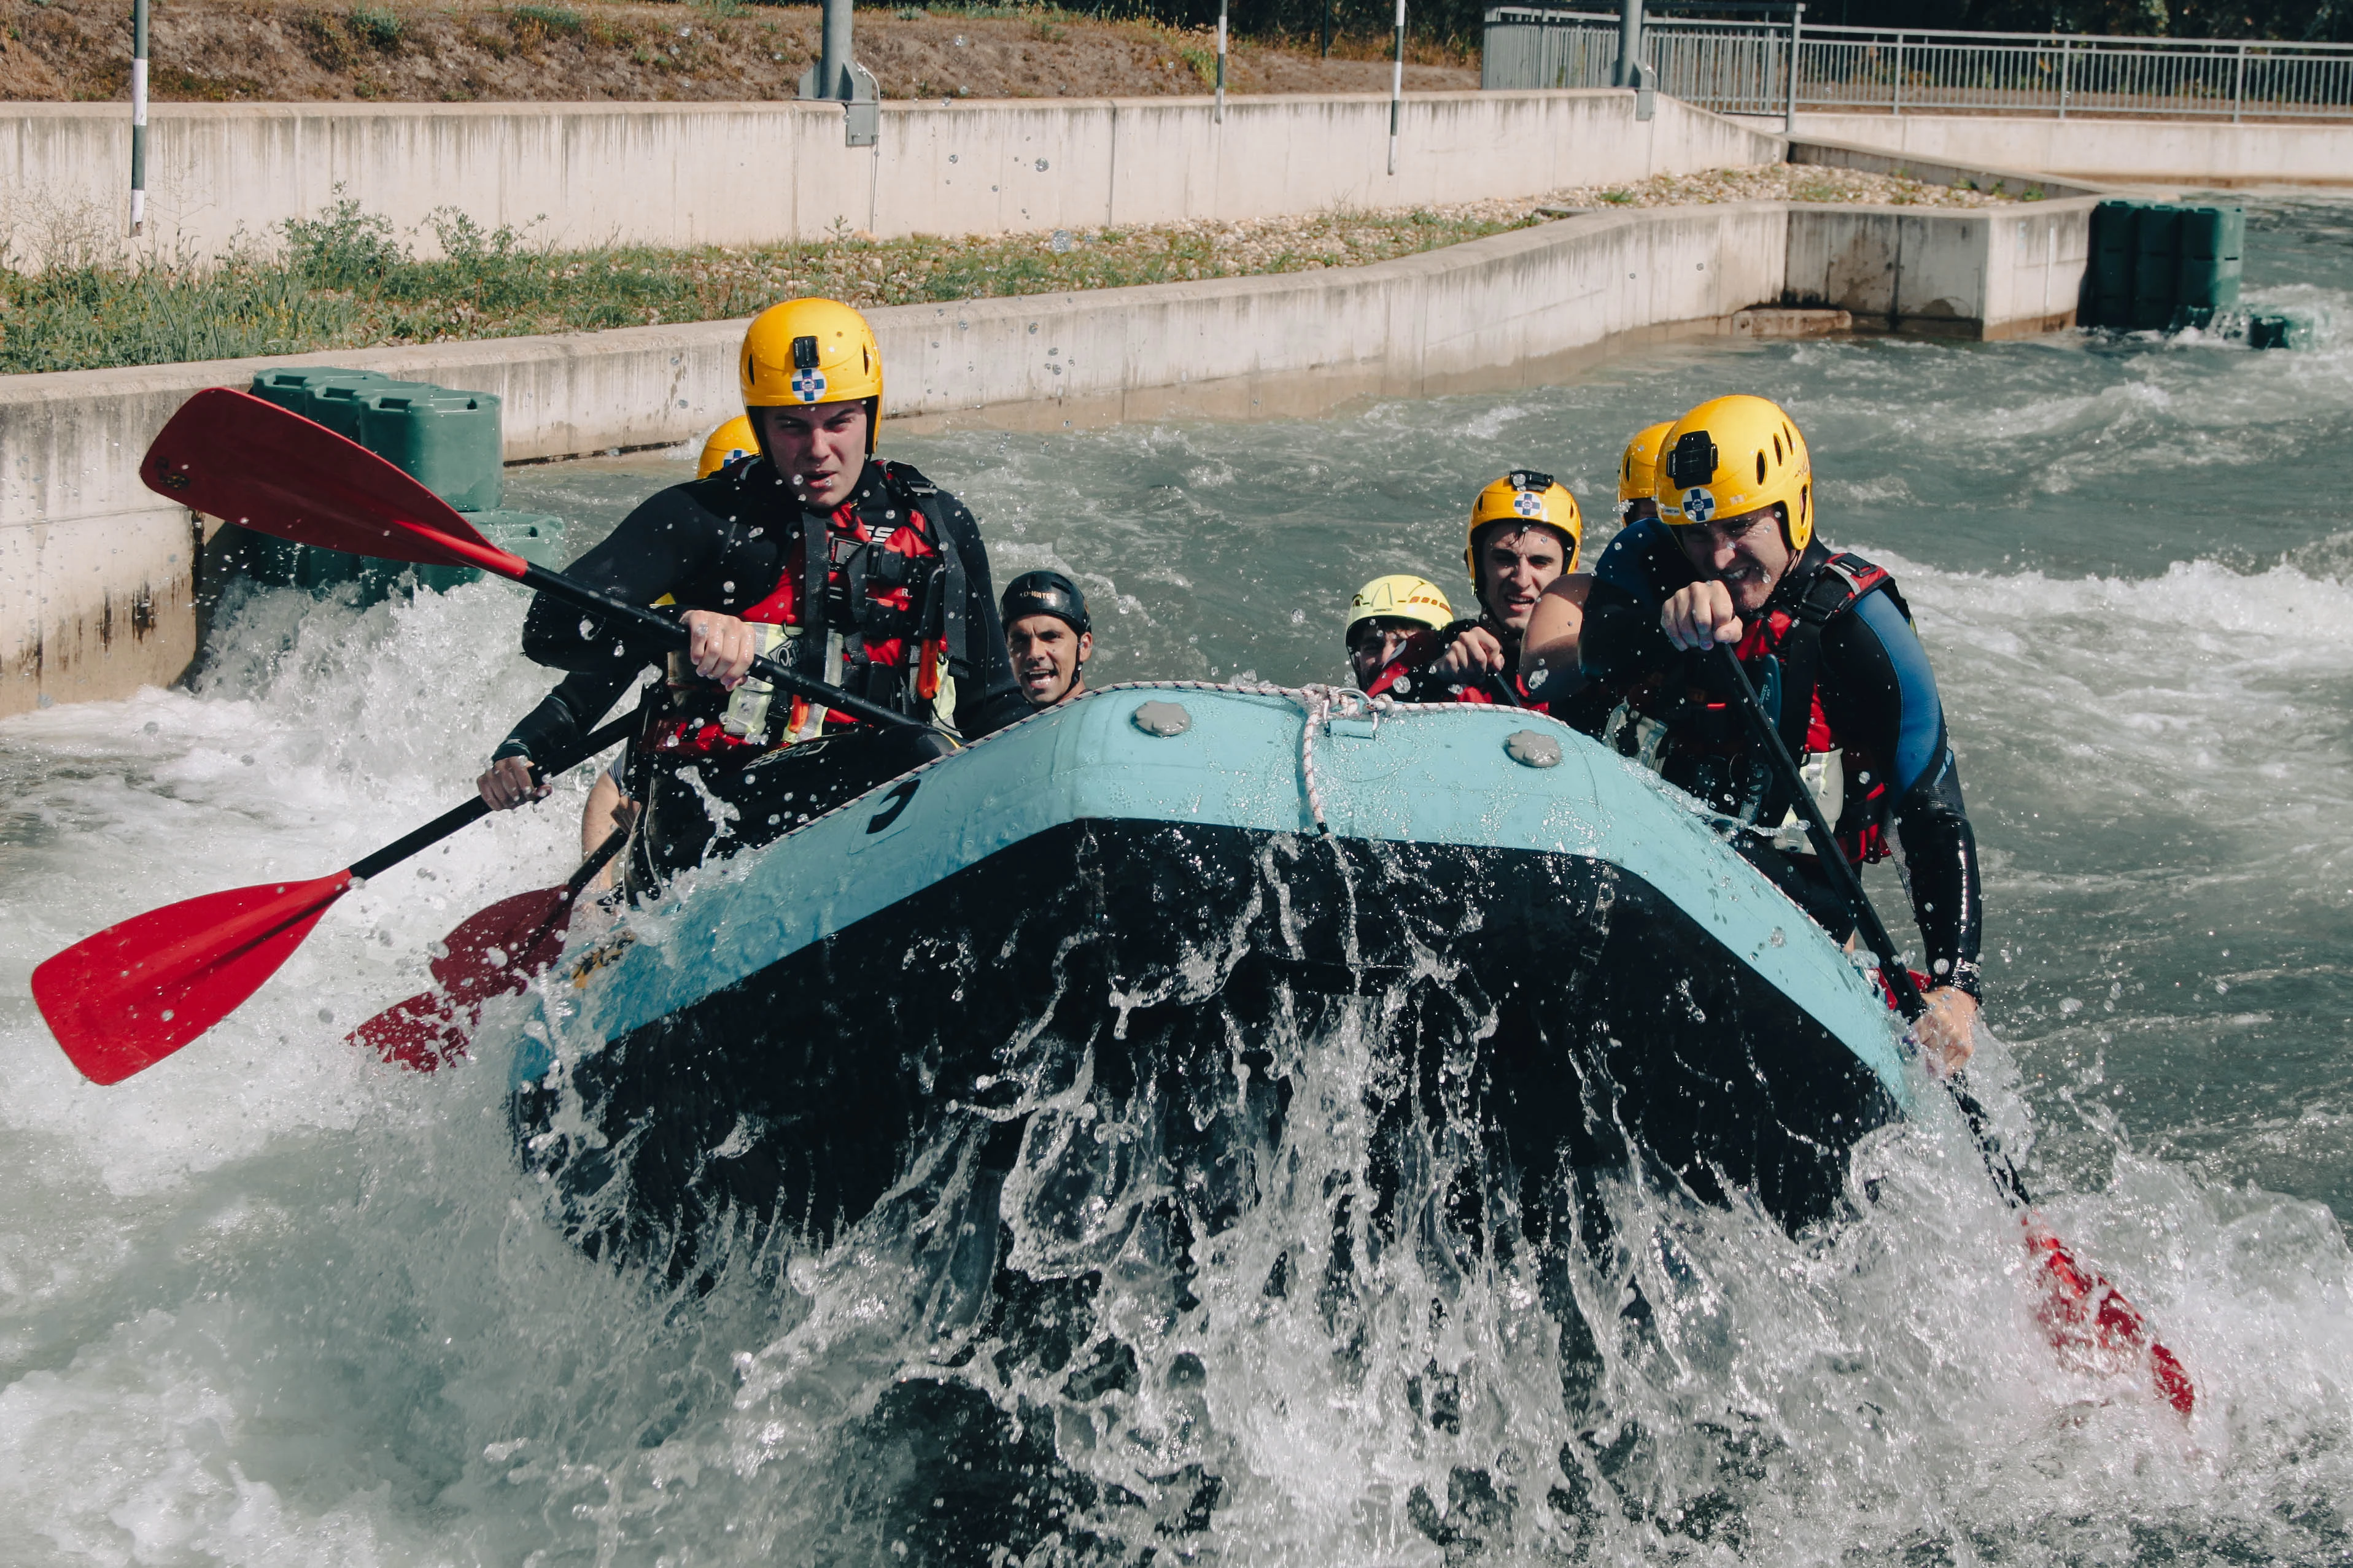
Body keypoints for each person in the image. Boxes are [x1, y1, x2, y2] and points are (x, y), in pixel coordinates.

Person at [492, 296, 1028, 892]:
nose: (817, 448)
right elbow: (549, 629)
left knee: (932, 757)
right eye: (792, 426)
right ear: (760, 425)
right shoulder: (703, 520)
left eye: (838, 421)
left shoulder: (939, 524)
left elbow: (993, 704)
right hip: (711, 821)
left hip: (881, 810)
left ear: (870, 415)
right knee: (916, 756)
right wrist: (678, 624)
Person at [1577, 394, 1983, 1068]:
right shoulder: (1651, 561)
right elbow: (1597, 654)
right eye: (1697, 534)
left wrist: (1955, 985)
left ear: (1794, 509)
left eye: (1740, 528)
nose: (1716, 556)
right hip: (1657, 884)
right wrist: (1665, 629)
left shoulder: (1860, 628)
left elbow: (1930, 807)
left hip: (1799, 925)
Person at [479, 414, 783, 859]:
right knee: (624, 789)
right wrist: (520, 750)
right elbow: (578, 701)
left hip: (803, 779)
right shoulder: (672, 604)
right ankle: (596, 901)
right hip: (698, 798)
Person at [1366, 472, 1580, 707]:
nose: (1521, 580)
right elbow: (1363, 719)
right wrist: (1435, 678)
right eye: (1504, 559)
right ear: (1475, 567)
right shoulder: (1426, 652)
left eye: (1540, 562)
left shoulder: (1591, 667)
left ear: (1568, 574)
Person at [1520, 422, 1673, 728]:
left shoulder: (1743, 598)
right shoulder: (1577, 594)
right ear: (1630, 519)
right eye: (1658, 518)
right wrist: (1652, 631)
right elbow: (1538, 676)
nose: (1678, 536)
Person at [1343, 574, 1454, 689]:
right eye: (1373, 647)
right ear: (1357, 662)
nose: (1385, 659)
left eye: (1404, 646)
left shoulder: (1466, 705)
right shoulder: (1337, 705)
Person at [1002, 570, 1094, 708]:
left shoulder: (1111, 720)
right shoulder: (999, 726)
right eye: (1021, 640)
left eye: (1051, 637)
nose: (1034, 653)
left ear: (1084, 647)